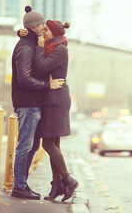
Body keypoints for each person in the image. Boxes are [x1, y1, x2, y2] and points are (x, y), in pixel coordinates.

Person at [11, 6, 65, 200]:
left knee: (32, 146)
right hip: (27, 103)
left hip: (33, 104)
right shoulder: (25, 47)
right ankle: (18, 186)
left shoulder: (32, 42)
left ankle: (22, 184)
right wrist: (47, 86)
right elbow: (24, 78)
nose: (44, 26)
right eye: (42, 23)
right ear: (34, 26)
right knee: (25, 146)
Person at [36, 19, 79, 202]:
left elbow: (42, 66)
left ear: (54, 32)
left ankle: (68, 180)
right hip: (53, 98)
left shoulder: (60, 49)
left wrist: (39, 48)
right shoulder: (53, 46)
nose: (43, 32)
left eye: (46, 30)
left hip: (56, 99)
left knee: (47, 144)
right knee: (55, 144)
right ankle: (57, 185)